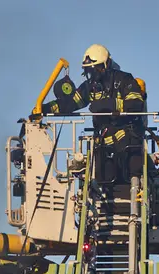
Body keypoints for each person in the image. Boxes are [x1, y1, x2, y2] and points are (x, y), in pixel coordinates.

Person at [38, 44, 146, 185]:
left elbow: (136, 104)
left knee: (130, 165)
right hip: (103, 144)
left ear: (105, 66)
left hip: (127, 140)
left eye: (95, 70)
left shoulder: (124, 80)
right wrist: (44, 108)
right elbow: (70, 103)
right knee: (102, 177)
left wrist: (110, 104)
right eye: (88, 71)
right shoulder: (89, 87)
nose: (92, 76)